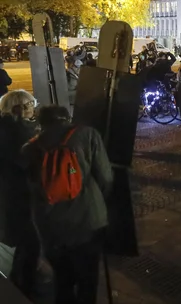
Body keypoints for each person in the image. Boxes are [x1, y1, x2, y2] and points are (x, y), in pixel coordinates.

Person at [21, 105, 113, 304]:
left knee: (62, 282)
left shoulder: (29, 148)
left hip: (51, 225)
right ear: (66, 118)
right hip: (88, 220)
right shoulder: (87, 135)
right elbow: (106, 176)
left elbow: (30, 190)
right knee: (88, 281)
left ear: (41, 122)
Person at [0, 90, 38, 297]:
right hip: (19, 193)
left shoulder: (8, 126)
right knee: (28, 241)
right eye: (21, 106)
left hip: (10, 193)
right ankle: (25, 286)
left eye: (29, 103)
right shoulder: (21, 131)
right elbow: (26, 162)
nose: (27, 109)